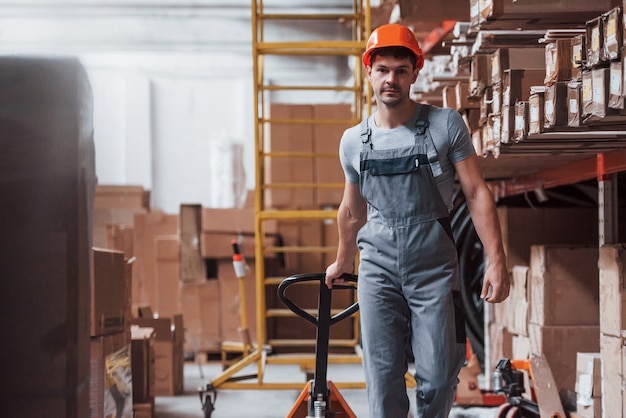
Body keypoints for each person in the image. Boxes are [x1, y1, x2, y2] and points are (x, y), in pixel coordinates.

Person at [324, 23, 510, 418]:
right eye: (383, 70)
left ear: (414, 72)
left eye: (400, 70)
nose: (391, 79)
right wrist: (343, 259)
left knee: (441, 374)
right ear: (369, 71)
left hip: (433, 264)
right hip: (377, 265)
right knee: (383, 377)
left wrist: (496, 260)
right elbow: (352, 210)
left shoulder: (445, 125)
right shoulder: (354, 141)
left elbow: (476, 193)